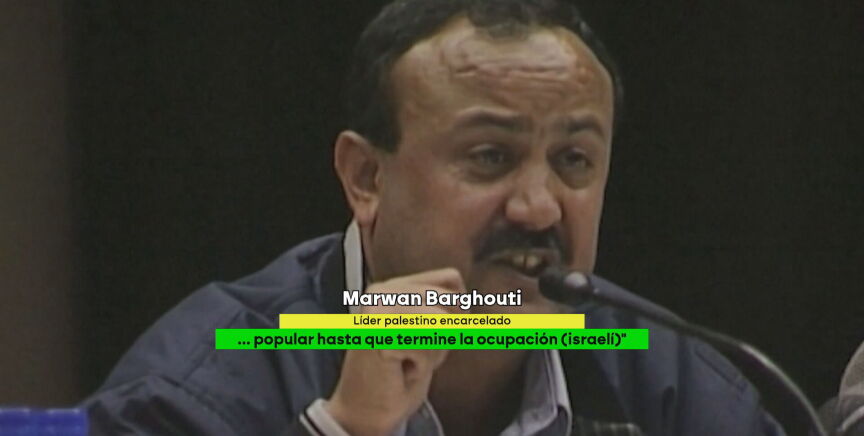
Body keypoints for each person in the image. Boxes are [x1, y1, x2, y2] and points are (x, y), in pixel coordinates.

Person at [82, 1, 786, 435]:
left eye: (573, 160)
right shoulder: (201, 392)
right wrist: (343, 432)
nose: (538, 206)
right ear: (366, 178)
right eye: (490, 157)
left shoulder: (669, 388)